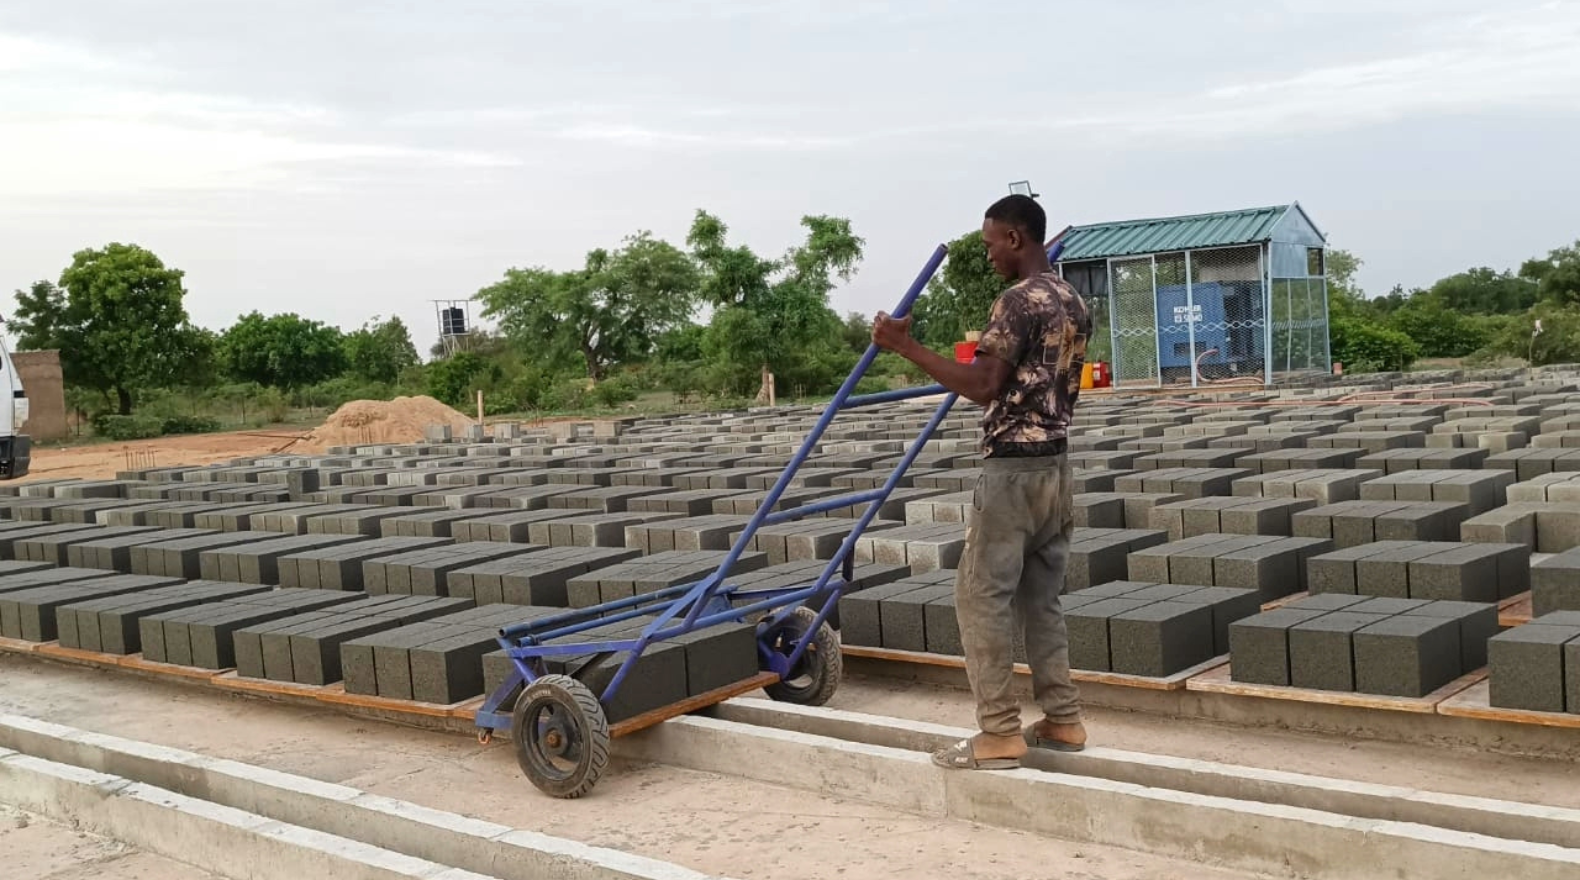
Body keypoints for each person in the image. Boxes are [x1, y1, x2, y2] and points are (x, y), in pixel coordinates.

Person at [871, 194, 1092, 770]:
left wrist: (904, 346)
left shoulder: (1018, 302)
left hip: (1013, 471)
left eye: (992, 242)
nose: (989, 253)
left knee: (980, 597)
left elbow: (984, 384)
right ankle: (1063, 720)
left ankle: (998, 733)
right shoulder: (1071, 297)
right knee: (1042, 599)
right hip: (1057, 467)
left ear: (1016, 238)